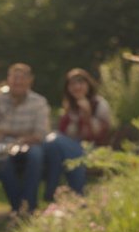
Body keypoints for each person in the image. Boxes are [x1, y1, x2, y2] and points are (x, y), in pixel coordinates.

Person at [43, 67, 112, 201]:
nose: (77, 87)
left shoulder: (99, 104)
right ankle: (72, 196)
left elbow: (99, 135)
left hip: (92, 149)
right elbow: (64, 134)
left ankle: (54, 194)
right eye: (72, 84)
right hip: (69, 150)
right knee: (54, 147)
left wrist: (87, 115)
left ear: (88, 84)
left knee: (55, 142)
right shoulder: (69, 108)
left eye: (80, 83)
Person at [0, 62, 50, 214]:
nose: (18, 81)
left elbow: (40, 134)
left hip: (29, 145)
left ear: (30, 80)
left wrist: (10, 133)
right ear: (8, 79)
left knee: (36, 155)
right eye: (14, 77)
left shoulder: (39, 102)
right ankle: (19, 207)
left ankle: (29, 206)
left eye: (22, 78)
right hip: (2, 146)